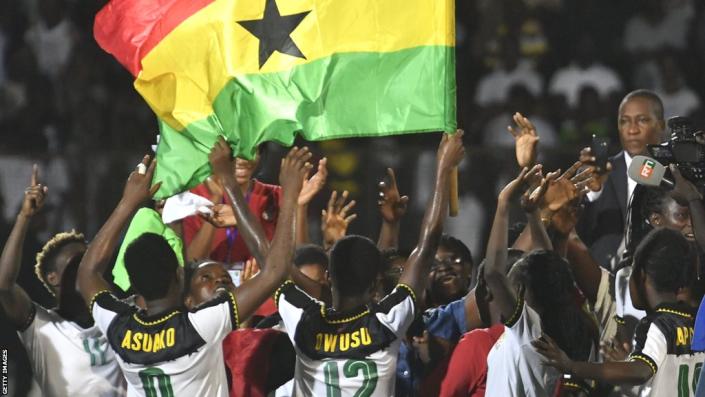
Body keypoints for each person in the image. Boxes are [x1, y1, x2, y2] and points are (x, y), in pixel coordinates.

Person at [77, 140, 310, 396]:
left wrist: (127, 203)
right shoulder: (200, 325)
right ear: (180, 274)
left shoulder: (117, 326)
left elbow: (87, 273)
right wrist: (275, 194)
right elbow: (275, 270)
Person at [274, 131, 465, 396]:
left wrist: (289, 200)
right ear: (376, 282)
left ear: (328, 276)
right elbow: (427, 244)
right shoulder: (387, 320)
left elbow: (272, 267)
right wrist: (443, 167)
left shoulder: (304, 319)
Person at [534, 228, 705, 397]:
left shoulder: (656, 324)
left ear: (642, 275)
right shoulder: (696, 321)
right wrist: (628, 362)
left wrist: (572, 366)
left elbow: (640, 372)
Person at [0, 165, 125, 396]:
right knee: (9, 381)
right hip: (9, 344)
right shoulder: (42, 325)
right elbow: (4, 285)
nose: (86, 269)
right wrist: (24, 217)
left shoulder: (116, 315)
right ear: (53, 277)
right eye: (77, 264)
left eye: (88, 262)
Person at [483, 165, 596, 396]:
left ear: (522, 290)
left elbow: (493, 273)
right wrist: (534, 214)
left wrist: (503, 203)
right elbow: (549, 264)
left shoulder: (530, 330)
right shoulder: (560, 326)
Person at [577, 89, 666, 268]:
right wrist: (592, 194)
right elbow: (578, 233)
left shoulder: (675, 173)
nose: (632, 130)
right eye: (624, 122)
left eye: (642, 120)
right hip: (605, 278)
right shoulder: (600, 173)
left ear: (661, 126)